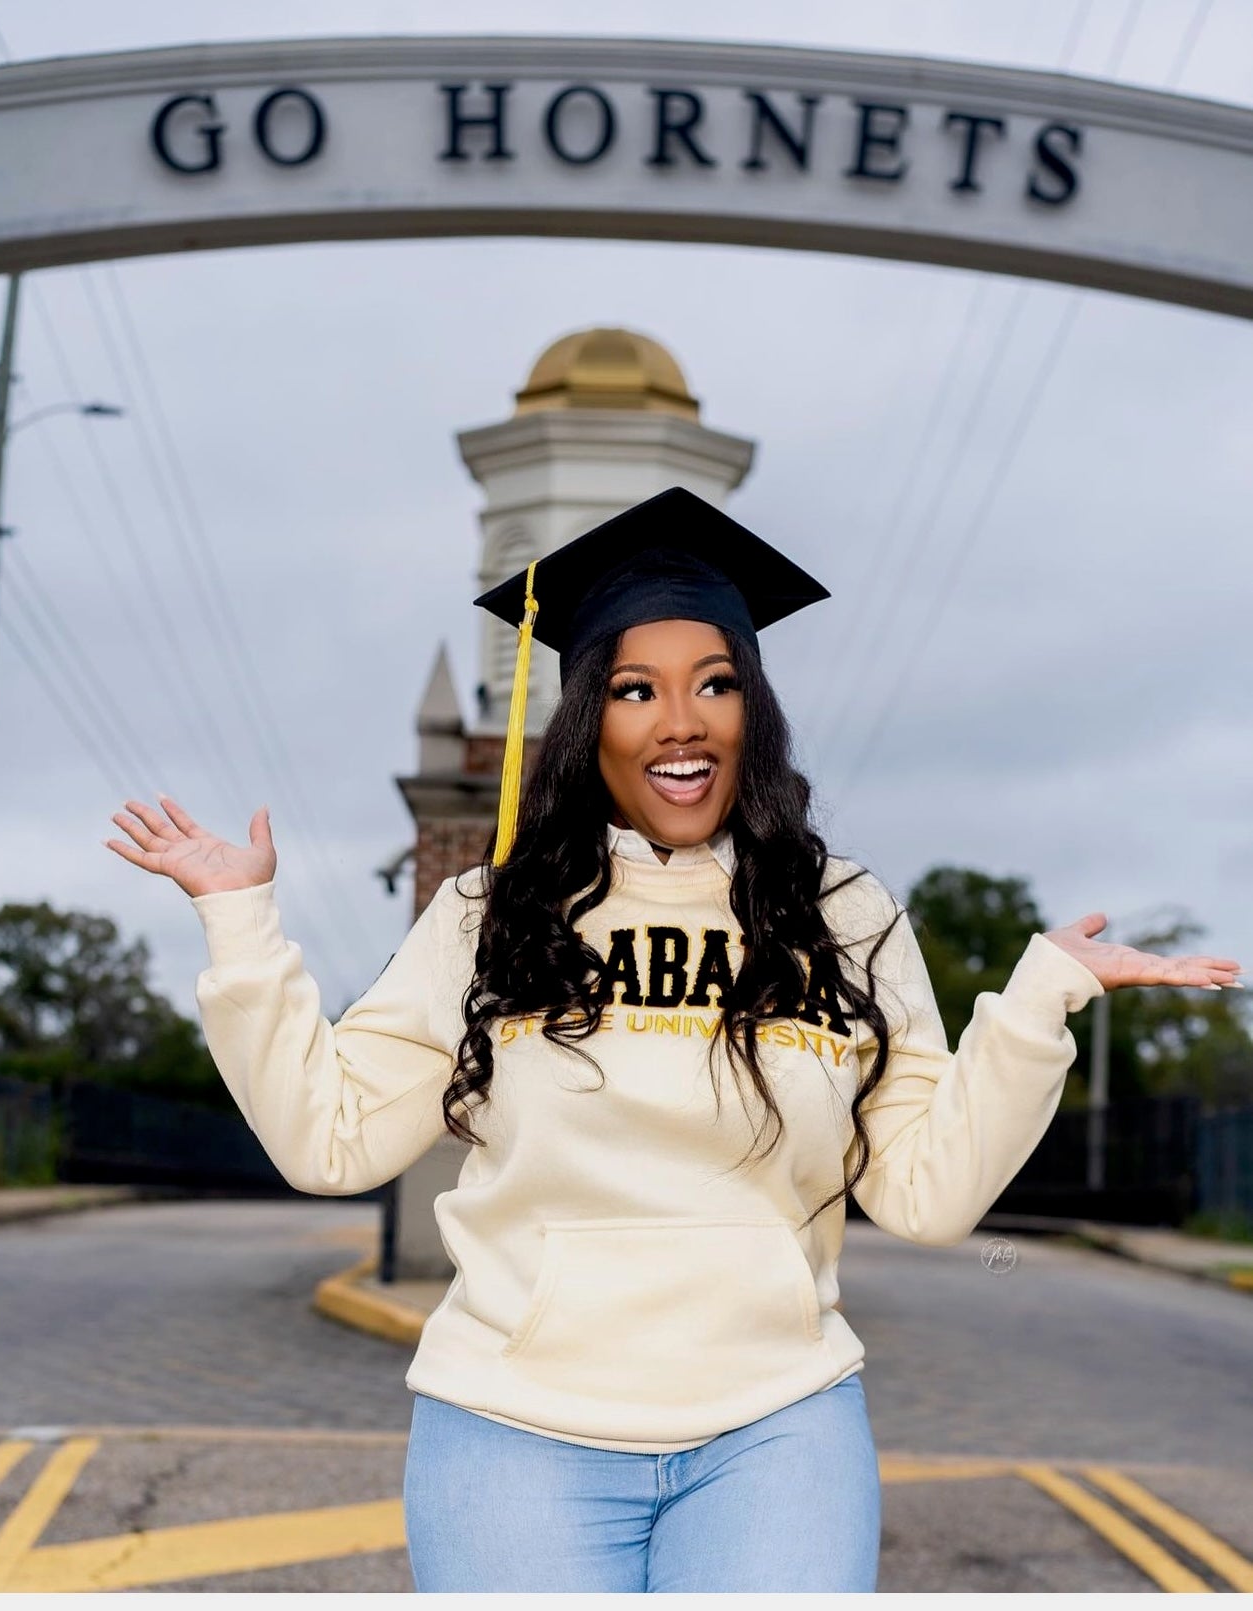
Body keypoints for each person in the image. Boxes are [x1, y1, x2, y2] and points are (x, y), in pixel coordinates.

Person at [105, 485, 1243, 1594]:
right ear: (586, 717)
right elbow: (330, 1144)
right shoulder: (489, 916)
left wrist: (1036, 1003)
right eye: (635, 689)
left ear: (754, 706)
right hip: (516, 1429)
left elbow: (928, 1196)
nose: (680, 720)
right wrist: (240, 929)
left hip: (777, 1431)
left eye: (715, 683)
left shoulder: (845, 914)